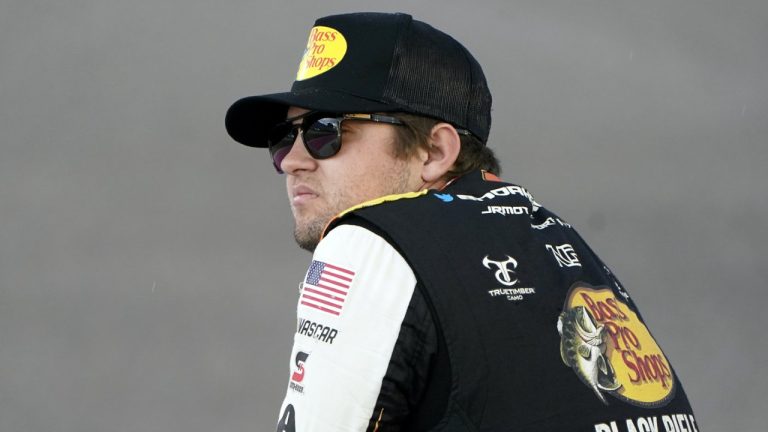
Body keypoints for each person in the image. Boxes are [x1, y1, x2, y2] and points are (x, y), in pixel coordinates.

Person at [225, 12, 699, 432]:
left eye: (325, 132)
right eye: (284, 137)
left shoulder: (366, 241)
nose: (293, 161)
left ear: (434, 152)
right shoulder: (562, 244)